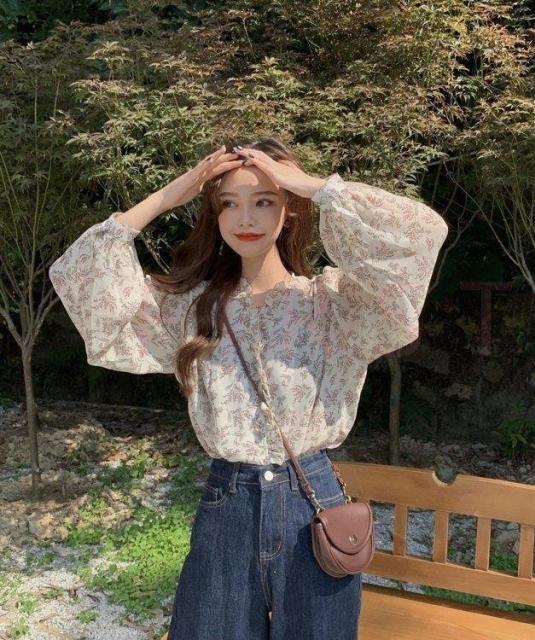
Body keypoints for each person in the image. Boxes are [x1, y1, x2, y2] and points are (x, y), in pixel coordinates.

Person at [48, 137, 449, 639]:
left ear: (288, 212)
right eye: (229, 203)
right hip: (228, 505)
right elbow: (82, 279)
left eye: (264, 201)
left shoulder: (333, 304)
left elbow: (419, 235)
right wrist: (167, 197)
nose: (246, 218)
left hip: (311, 506)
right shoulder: (190, 309)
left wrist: (313, 187)